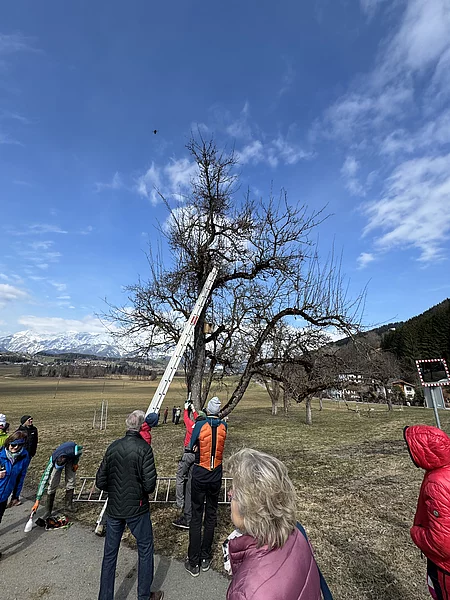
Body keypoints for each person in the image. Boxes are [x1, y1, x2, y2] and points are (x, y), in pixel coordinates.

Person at [225, 448, 322, 599]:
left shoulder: (247, 593)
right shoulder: (296, 533)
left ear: (251, 506)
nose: (229, 493)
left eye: (234, 491)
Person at [96, 410, 163, 600]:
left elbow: (100, 481)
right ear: (141, 426)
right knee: (145, 549)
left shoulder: (113, 447)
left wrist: (116, 488)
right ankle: (144, 595)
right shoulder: (144, 449)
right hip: (137, 508)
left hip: (114, 508)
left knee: (110, 554)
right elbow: (149, 485)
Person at [404, 424, 450, 600]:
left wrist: (416, 533)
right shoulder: (444, 470)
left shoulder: (437, 483)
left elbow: (442, 543)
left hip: (445, 568)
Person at [185, 396, 227, 576]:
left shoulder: (200, 425)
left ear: (208, 410)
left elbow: (191, 445)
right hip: (216, 474)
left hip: (200, 473)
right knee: (211, 515)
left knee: (196, 516)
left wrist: (196, 446)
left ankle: (193, 560)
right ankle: (205, 556)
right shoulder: (224, 426)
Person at [32, 441, 83, 519]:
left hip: (71, 457)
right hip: (61, 454)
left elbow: (79, 452)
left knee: (71, 480)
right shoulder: (52, 461)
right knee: (52, 483)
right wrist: (37, 501)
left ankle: (68, 505)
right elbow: (44, 480)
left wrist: (75, 463)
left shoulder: (74, 451)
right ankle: (48, 511)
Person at [0, 431, 30, 559]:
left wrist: (15, 496)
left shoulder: (24, 456)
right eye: (13, 445)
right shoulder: (0, 454)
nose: (16, 447)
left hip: (3, 497)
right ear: (8, 443)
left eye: (19, 445)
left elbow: (20, 478)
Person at [172, 399, 200, 529]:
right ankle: (189, 500)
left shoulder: (191, 426)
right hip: (196, 455)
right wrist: (193, 409)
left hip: (188, 454)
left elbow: (185, 419)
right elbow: (197, 418)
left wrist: (185, 409)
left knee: (180, 476)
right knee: (190, 479)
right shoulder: (200, 426)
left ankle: (180, 502)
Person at [9, 415, 39, 507]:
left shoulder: (34, 430)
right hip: (18, 457)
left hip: (28, 457)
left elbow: (35, 442)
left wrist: (32, 453)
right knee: (13, 477)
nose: (31, 421)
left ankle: (15, 498)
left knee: (21, 477)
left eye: (31, 419)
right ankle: (6, 498)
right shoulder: (19, 432)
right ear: (24, 421)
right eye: (29, 420)